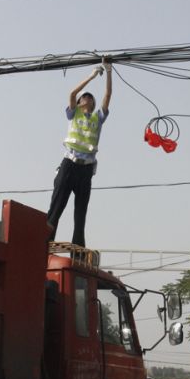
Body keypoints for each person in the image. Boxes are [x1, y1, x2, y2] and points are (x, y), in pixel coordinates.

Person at [47, 61, 112, 247]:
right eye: (85, 97)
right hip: (69, 164)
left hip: (85, 169)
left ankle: (78, 249)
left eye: (91, 97)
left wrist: (108, 72)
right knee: (56, 206)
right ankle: (45, 241)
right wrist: (91, 76)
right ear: (78, 103)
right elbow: (72, 93)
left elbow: (108, 95)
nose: (88, 98)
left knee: (80, 212)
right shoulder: (73, 114)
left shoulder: (97, 118)